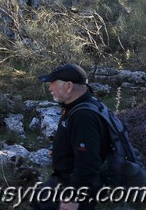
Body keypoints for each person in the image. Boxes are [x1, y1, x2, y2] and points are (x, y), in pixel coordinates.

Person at [34, 63, 110, 210]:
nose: (49, 88)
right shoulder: (83, 105)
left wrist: (73, 198)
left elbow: (88, 163)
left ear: (68, 86)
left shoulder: (83, 116)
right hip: (66, 181)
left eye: (52, 84)